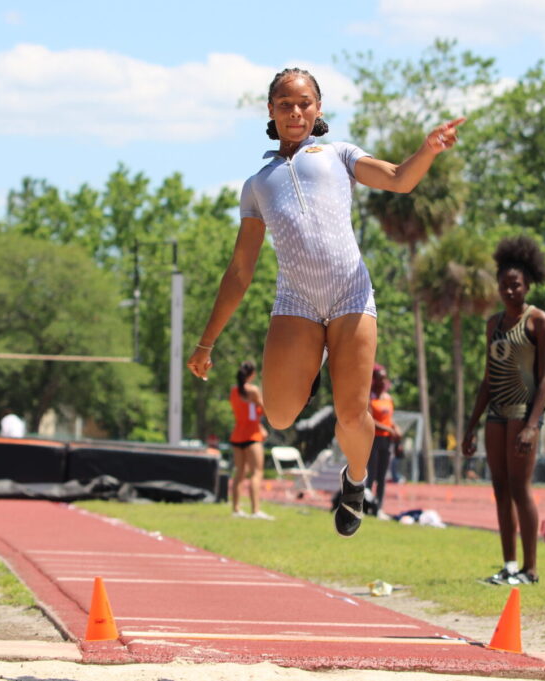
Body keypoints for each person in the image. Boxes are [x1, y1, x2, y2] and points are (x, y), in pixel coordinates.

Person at [186, 67, 463, 537]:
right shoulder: (257, 183)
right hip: (296, 300)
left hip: (350, 293)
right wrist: (206, 342)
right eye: (285, 104)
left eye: (304, 103)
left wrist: (428, 150)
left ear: (318, 110)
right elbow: (239, 271)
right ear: (270, 112)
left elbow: (398, 178)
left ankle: (355, 483)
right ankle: (311, 366)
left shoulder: (338, 154)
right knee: (278, 415)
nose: (295, 112)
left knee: (353, 415)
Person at [462, 236, 545, 586]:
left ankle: (531, 569)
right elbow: (487, 379)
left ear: (527, 284)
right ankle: (509, 565)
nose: (509, 291)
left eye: (515, 285)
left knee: (520, 488)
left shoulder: (538, 321)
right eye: (504, 285)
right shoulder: (493, 324)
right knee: (500, 488)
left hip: (523, 413)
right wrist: (471, 426)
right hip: (496, 414)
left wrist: (533, 425)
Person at [228, 361, 272, 520]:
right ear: (252, 374)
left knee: (240, 472)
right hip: (251, 436)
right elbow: (265, 410)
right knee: (256, 472)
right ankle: (255, 510)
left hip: (237, 435)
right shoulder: (253, 390)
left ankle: (236, 509)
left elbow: (247, 413)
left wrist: (260, 426)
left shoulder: (234, 391)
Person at [368, 364, 401, 512]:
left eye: (384, 378)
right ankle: (366, 504)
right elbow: (369, 419)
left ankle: (379, 506)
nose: (382, 381)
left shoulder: (388, 398)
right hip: (373, 439)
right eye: (379, 378)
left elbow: (389, 419)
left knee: (382, 476)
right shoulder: (369, 397)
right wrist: (388, 429)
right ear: (374, 380)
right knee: (372, 474)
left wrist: (395, 428)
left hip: (387, 441)